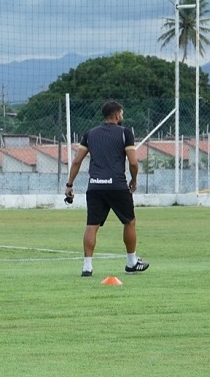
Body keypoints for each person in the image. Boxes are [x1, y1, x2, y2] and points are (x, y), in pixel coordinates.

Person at [64, 100, 150, 277]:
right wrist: (134, 180)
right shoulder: (125, 133)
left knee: (91, 225)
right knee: (129, 222)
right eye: (122, 113)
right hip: (117, 186)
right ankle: (132, 262)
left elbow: (76, 161)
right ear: (117, 115)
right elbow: (133, 162)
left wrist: (69, 185)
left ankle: (87, 267)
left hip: (95, 186)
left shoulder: (90, 134)